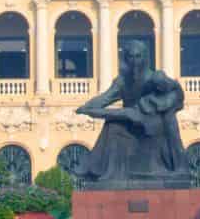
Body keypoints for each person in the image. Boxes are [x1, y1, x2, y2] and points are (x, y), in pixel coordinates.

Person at [73, 40, 190, 185]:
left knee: (167, 120)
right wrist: (87, 107)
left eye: (138, 56)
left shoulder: (154, 79)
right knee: (112, 126)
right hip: (132, 122)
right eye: (131, 57)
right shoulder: (122, 81)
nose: (135, 61)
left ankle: (179, 165)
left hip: (152, 124)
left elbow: (175, 93)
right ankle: (106, 174)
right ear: (126, 59)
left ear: (145, 58)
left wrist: (161, 105)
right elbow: (105, 98)